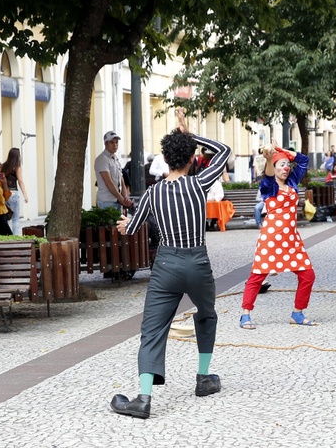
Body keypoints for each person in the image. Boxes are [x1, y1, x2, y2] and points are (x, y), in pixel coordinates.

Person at [110, 108, 230, 419]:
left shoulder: (153, 192)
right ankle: (203, 378)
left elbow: (132, 227)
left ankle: (143, 398)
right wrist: (192, 137)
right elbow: (224, 150)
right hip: (198, 262)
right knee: (206, 314)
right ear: (191, 158)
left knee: (153, 329)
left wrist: (124, 225)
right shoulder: (199, 183)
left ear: (165, 159)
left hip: (166, 266)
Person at [240, 143, 317, 329]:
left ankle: (297, 313)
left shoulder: (292, 181)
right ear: (273, 168)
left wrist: (285, 152)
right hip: (271, 238)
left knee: (308, 275)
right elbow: (266, 176)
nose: (285, 168)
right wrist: (269, 159)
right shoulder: (269, 186)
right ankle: (245, 314)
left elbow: (304, 161)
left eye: (287, 164)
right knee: (257, 276)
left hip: (291, 239)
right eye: (280, 165)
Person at [95, 132, 133, 212]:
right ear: (106, 144)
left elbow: (121, 180)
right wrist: (122, 200)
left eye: (116, 142)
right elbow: (109, 183)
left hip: (116, 201)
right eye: (112, 142)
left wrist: (125, 197)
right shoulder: (102, 159)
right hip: (106, 202)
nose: (115, 145)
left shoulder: (115, 158)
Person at [1, 148, 29, 235]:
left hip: (4, 193)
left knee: (7, 216)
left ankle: (7, 235)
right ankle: (15, 237)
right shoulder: (17, 167)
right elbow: (20, 181)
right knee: (15, 218)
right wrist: (25, 194)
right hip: (13, 193)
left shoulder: (3, 166)